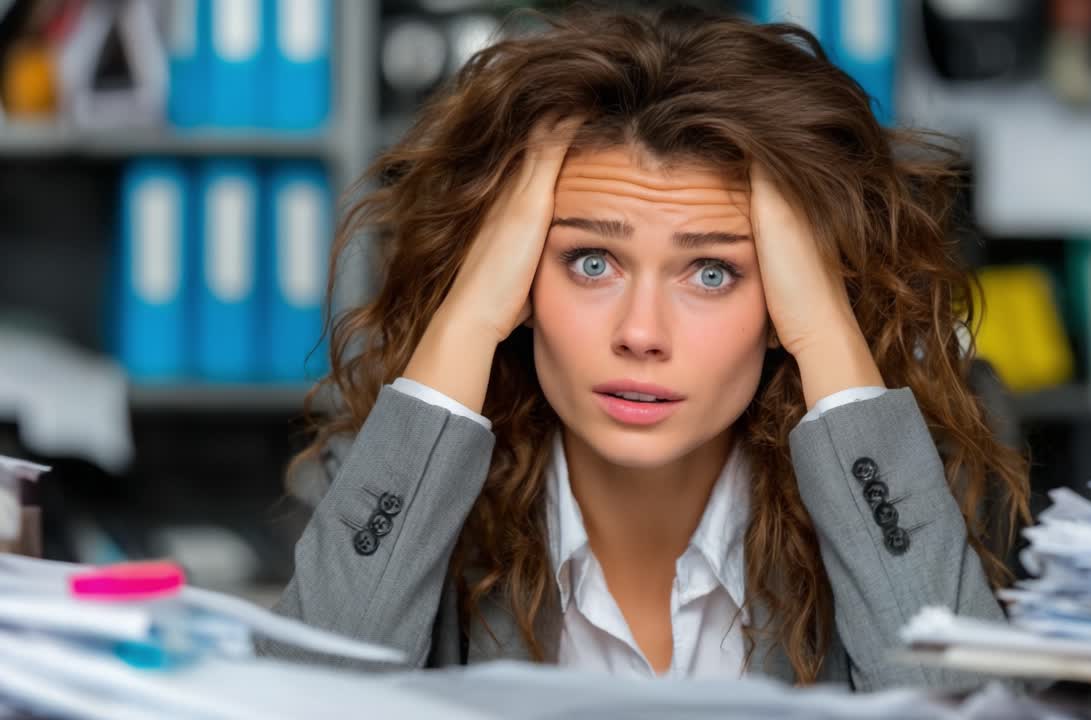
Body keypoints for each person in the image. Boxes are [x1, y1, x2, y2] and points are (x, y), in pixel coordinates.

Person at [258, 3, 1031, 692]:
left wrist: (827, 328)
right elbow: (301, 700)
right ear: (518, 280)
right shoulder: (393, 461)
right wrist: (465, 318)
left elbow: (952, 704)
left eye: (713, 271)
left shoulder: (918, 474)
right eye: (590, 262)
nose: (641, 334)